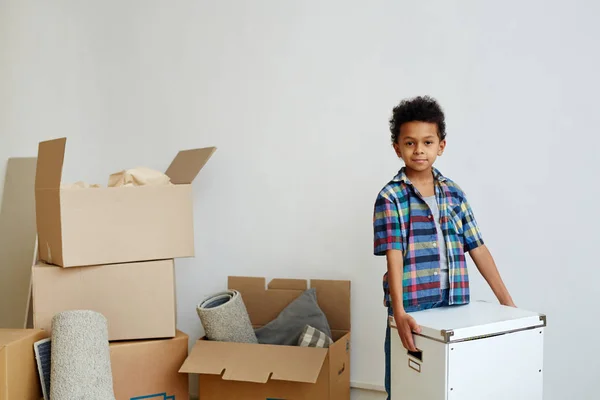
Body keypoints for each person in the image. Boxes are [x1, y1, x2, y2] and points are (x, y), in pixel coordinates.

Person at [372, 95, 516, 399]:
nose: (419, 150)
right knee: (404, 388)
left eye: (427, 142)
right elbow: (393, 256)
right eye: (410, 143)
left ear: (441, 146)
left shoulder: (454, 194)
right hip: (414, 311)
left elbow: (477, 247)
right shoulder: (391, 198)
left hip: (455, 310)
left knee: (453, 389)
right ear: (397, 148)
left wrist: (507, 303)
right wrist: (398, 313)